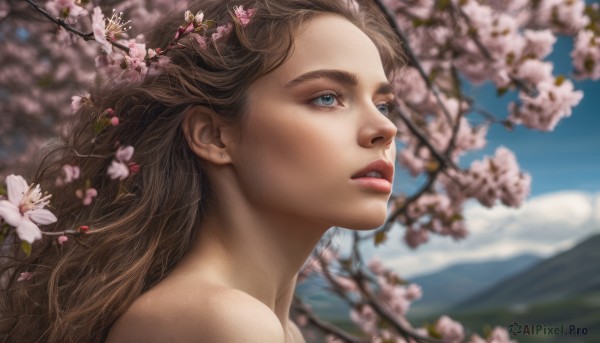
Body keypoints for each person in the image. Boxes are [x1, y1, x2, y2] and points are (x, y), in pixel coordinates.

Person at [0, 0, 403, 341]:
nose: (385, 129)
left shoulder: (273, 328)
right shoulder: (223, 322)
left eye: (383, 104)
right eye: (327, 97)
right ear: (212, 135)